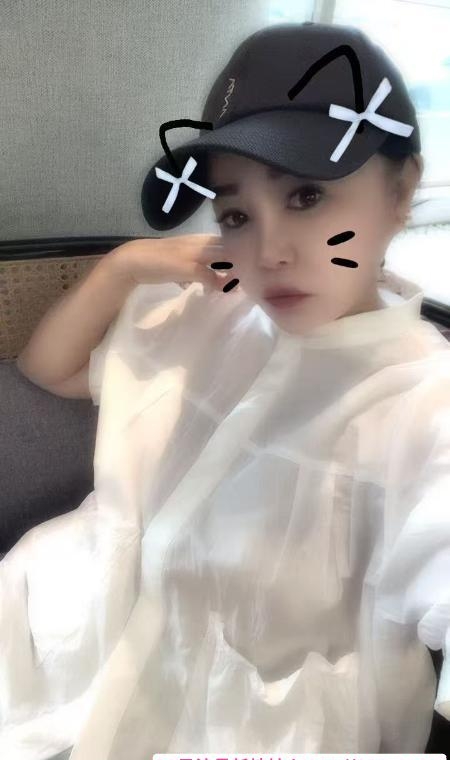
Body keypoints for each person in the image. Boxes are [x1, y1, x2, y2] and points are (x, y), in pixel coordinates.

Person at [2, 21, 450, 759]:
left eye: (307, 195)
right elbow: (47, 371)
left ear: (400, 191)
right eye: (236, 214)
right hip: (70, 647)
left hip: (232, 726)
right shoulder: (216, 310)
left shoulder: (424, 400)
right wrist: (126, 265)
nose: (269, 252)